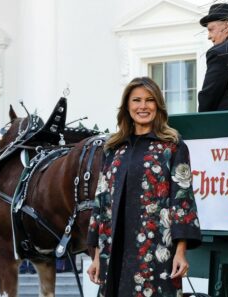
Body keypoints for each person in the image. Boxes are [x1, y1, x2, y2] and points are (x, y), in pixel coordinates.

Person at [86, 77, 202, 297]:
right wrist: (96, 256)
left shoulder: (173, 146)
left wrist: (180, 252)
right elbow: (101, 204)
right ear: (127, 106)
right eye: (136, 100)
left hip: (156, 252)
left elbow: (183, 200)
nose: (143, 106)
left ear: (157, 105)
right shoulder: (113, 149)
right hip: (114, 251)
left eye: (149, 100)